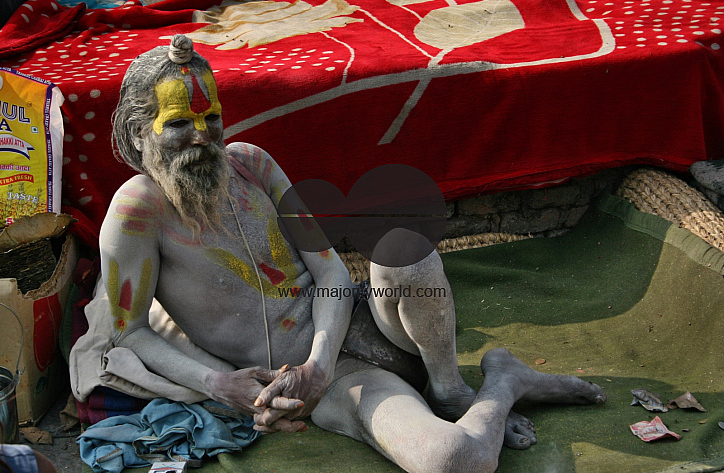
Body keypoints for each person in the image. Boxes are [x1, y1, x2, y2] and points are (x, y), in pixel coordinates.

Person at [70, 35, 606, 472]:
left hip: (356, 326)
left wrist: (319, 361)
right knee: (455, 461)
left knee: (405, 250)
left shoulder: (251, 164)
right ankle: (505, 381)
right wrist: (219, 383)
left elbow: (327, 266)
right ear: (141, 133)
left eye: (210, 118)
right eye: (179, 124)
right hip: (331, 385)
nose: (202, 136)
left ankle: (449, 389)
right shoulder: (136, 212)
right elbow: (129, 330)